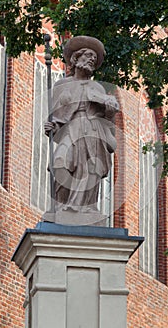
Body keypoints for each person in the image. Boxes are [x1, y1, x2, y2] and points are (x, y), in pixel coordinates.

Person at [44, 36, 119, 213]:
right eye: (88, 55)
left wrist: (109, 110)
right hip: (72, 129)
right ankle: (61, 207)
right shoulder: (62, 85)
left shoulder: (99, 89)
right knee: (60, 162)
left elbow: (108, 122)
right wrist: (52, 127)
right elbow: (58, 115)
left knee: (91, 168)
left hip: (93, 131)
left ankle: (86, 208)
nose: (91, 59)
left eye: (94, 58)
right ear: (76, 59)